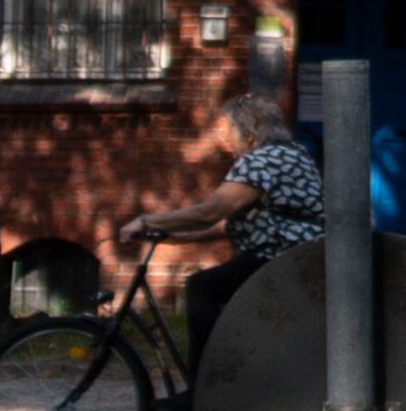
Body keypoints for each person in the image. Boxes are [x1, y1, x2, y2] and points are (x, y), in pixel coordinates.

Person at [113, 84, 324, 379]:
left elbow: (211, 211)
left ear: (250, 135)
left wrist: (148, 221)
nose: (225, 140)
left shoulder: (260, 162)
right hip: (301, 255)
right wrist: (180, 237)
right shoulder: (291, 153)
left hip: (283, 258)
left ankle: (203, 389)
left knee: (203, 287)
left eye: (229, 132)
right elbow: (248, 220)